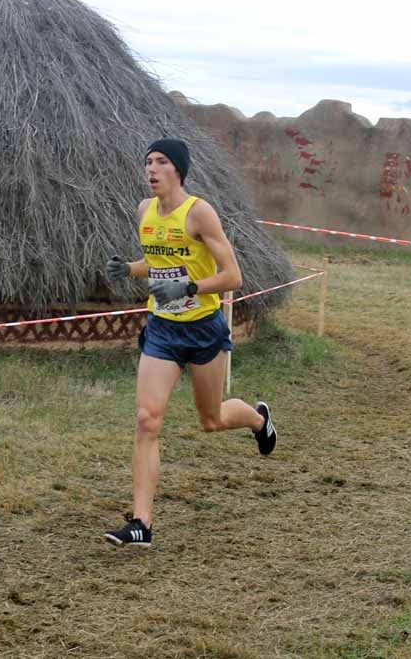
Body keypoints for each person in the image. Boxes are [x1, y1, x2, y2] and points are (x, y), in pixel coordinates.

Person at [103, 138, 277, 547]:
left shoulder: (199, 212)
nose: (152, 168)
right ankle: (141, 524)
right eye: (147, 161)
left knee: (211, 419)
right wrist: (130, 268)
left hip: (203, 328)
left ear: (178, 169)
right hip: (162, 328)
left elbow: (232, 276)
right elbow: (159, 262)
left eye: (161, 161)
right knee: (148, 419)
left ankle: (257, 419)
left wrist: (191, 286)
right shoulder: (144, 211)